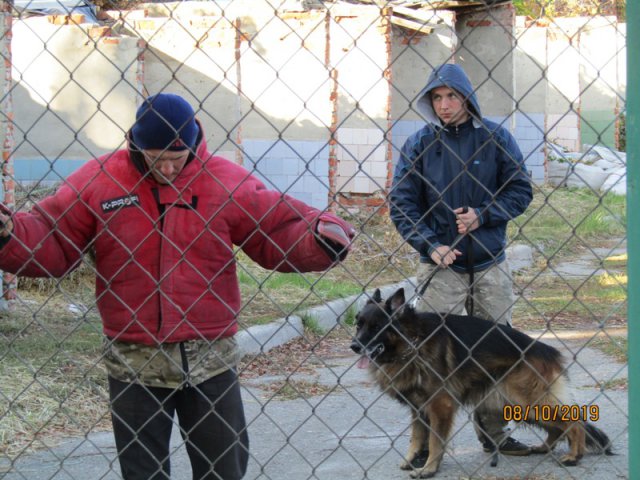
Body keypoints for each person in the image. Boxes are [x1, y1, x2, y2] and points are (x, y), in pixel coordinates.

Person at [0, 93, 355, 479]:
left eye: (177, 157)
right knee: (142, 474)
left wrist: (319, 238)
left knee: (224, 470)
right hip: (133, 361)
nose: (167, 168)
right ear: (136, 143)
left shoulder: (224, 180)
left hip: (209, 359)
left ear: (192, 144)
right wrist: (8, 234)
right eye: (157, 158)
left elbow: (278, 227)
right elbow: (53, 236)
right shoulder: (99, 180)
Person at [389, 64, 534, 458]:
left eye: (451, 96)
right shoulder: (419, 144)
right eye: (436, 98)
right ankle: (422, 445)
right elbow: (401, 203)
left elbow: (521, 189)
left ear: (466, 97)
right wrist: (431, 244)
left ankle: (496, 434)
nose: (444, 105)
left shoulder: (495, 138)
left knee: (498, 352)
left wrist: (483, 214)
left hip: (489, 264)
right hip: (441, 268)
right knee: (427, 360)